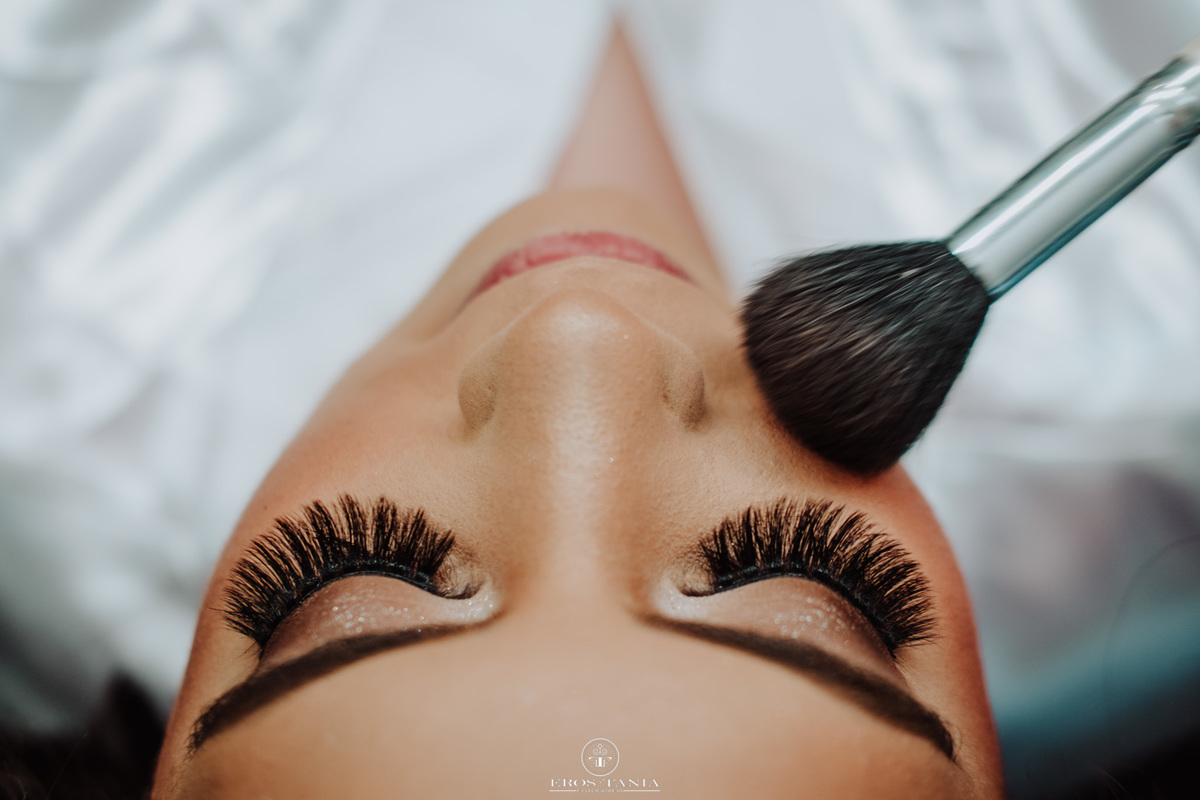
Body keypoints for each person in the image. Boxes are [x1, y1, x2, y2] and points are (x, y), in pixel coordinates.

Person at [149, 28, 1004, 799]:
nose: (577, 332)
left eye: (358, 595)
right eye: (799, 600)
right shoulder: (1086, 386)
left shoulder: (89, 327)